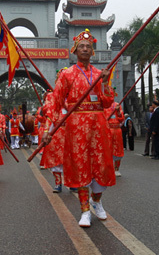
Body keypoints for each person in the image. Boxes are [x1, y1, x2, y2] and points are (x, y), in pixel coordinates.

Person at [45, 29, 114, 227]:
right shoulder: (67, 75)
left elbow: (108, 102)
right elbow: (56, 104)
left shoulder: (99, 74)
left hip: (98, 125)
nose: (85, 49)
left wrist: (106, 83)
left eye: (88, 47)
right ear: (75, 50)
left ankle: (97, 201)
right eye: (81, 46)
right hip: (76, 126)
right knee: (80, 165)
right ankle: (85, 210)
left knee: (102, 165)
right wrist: (48, 131)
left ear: (93, 51)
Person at [105, 94, 125, 176]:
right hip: (107, 130)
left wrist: (118, 111)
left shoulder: (117, 105)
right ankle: (107, 169)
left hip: (117, 130)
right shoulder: (104, 106)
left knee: (118, 150)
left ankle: (116, 169)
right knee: (106, 150)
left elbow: (121, 118)